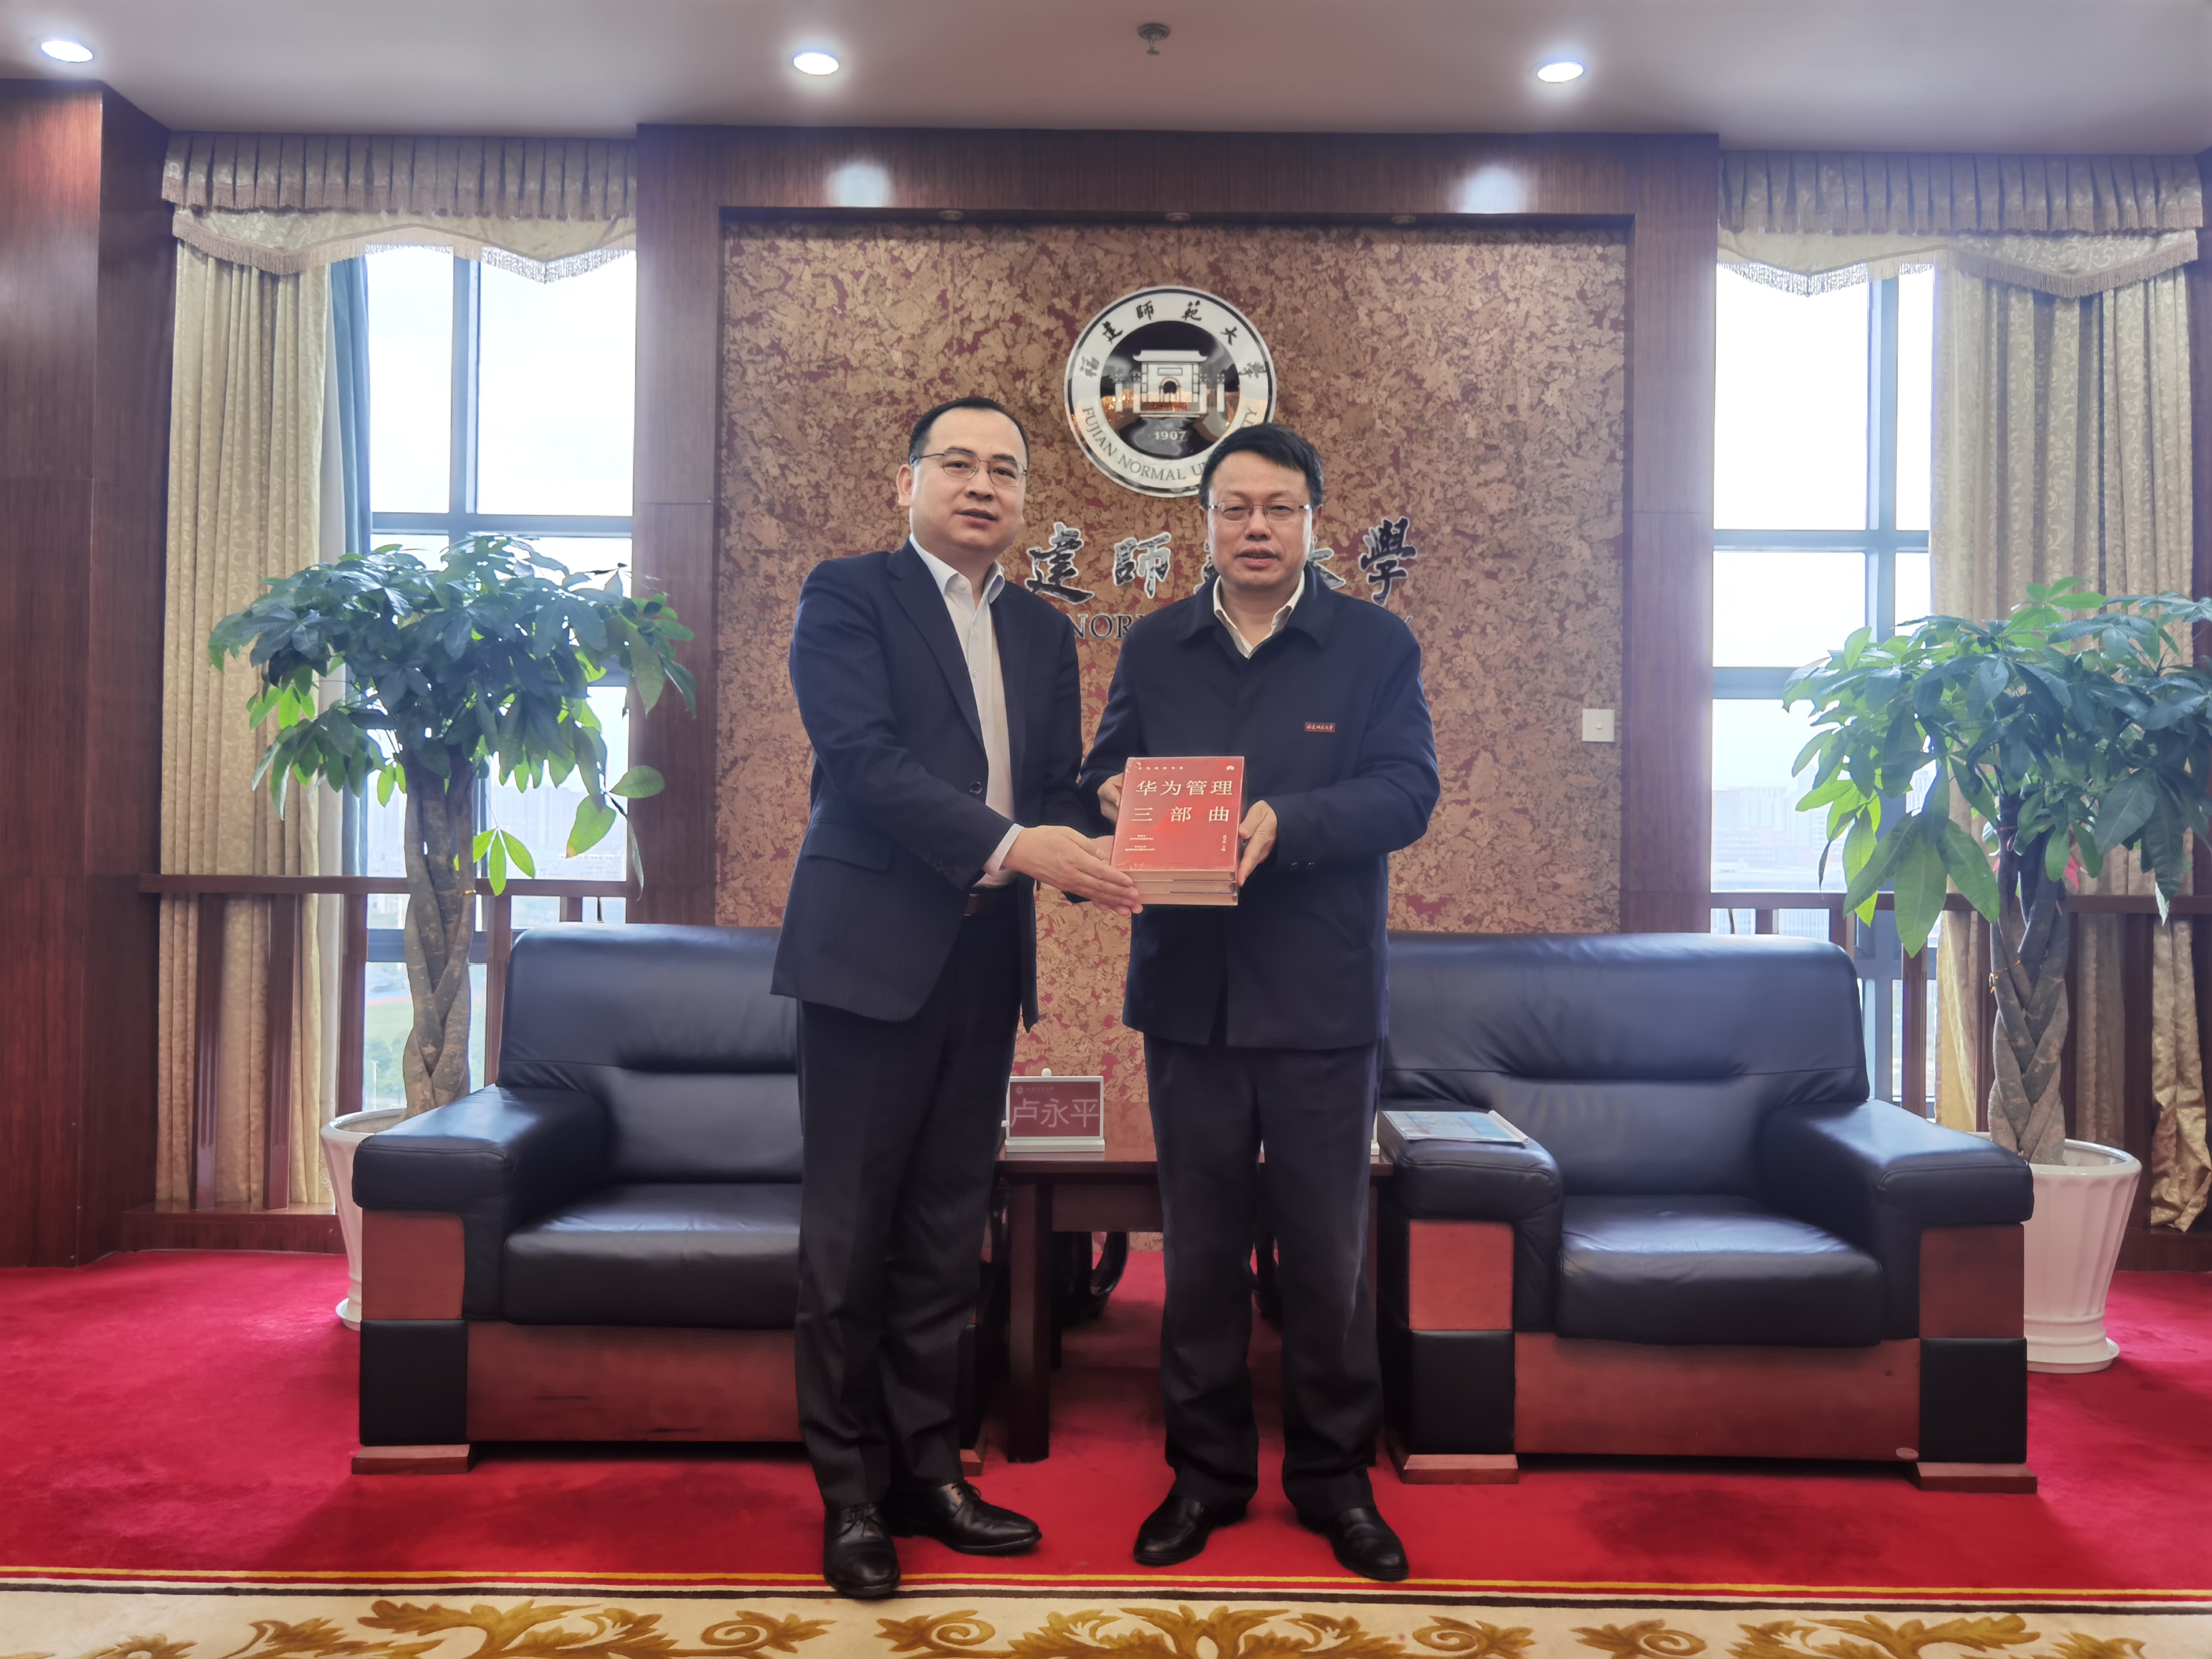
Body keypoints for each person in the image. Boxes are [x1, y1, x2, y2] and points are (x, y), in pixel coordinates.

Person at [774, 396, 1143, 1599]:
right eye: (959, 464)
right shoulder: (847, 597)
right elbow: (865, 764)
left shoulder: (1039, 630)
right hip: (866, 962)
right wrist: (1019, 842)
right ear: (909, 483)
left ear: (1025, 499)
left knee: (945, 1237)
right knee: (848, 1242)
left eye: (1005, 471)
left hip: (986, 964)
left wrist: (1122, 822)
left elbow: (1051, 790)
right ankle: (849, 1494)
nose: (983, 486)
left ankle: (929, 1470)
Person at [1080, 423, 1439, 1582]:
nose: (1255, 528)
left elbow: (1408, 790)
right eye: (1233, 508)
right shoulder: (1156, 644)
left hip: (1322, 999)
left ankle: (1335, 1480)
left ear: (1312, 523)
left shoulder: (1373, 643)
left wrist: (1289, 822)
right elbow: (1101, 770)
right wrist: (1117, 801)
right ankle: (1205, 1475)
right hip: (1188, 999)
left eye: (1278, 509)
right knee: (1198, 1254)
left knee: (1326, 1259)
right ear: (1203, 524)